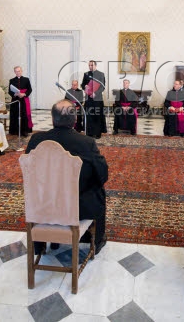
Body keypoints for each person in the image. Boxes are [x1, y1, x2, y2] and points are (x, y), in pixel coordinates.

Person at [26, 100, 109, 254]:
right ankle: (95, 241)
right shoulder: (86, 142)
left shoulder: (36, 140)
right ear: (75, 119)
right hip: (75, 208)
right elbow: (102, 174)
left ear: (52, 119)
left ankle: (40, 244)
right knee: (98, 190)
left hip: (42, 205)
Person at [82, 60, 107, 139]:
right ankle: (89, 133)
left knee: (97, 115)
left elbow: (102, 87)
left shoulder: (101, 74)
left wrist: (95, 93)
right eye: (89, 65)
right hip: (88, 98)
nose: (90, 67)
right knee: (89, 115)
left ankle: (97, 133)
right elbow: (83, 84)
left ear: (95, 65)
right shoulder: (86, 74)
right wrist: (84, 86)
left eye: (92, 65)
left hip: (97, 98)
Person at [8, 66, 33, 136]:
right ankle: (14, 131)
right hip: (15, 100)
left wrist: (24, 94)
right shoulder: (11, 80)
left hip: (24, 100)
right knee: (15, 114)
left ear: (21, 71)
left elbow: (30, 89)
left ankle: (24, 131)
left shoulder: (26, 79)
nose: (18, 72)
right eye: (16, 71)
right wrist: (15, 94)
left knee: (24, 115)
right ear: (14, 72)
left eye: (19, 71)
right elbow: (9, 91)